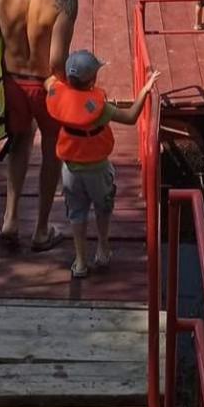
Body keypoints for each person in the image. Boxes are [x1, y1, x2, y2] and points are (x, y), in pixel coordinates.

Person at [0, 0, 78, 252]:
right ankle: (40, 230)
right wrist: (72, 95)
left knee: (20, 143)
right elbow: (56, 60)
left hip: (11, 82)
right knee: (51, 151)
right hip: (44, 86)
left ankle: (10, 220)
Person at [45, 50, 160, 279]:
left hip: (70, 169)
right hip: (97, 169)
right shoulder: (102, 109)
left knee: (76, 213)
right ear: (93, 80)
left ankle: (80, 261)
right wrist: (145, 91)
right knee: (103, 207)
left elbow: (49, 80)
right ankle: (103, 248)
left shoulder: (56, 92)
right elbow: (130, 117)